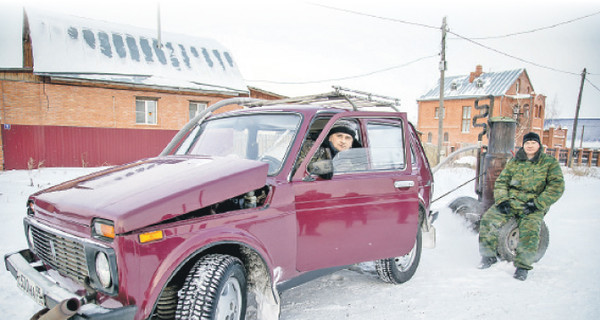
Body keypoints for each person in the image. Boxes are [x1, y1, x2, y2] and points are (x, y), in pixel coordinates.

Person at [478, 132, 564, 281]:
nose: (530, 146)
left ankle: (523, 267)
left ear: (539, 145)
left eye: (533, 143)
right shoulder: (515, 161)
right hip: (511, 200)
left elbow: (556, 187)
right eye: (527, 143)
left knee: (530, 231)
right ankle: (488, 256)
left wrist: (537, 203)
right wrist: (502, 200)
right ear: (523, 145)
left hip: (533, 204)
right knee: (488, 220)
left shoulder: (549, 162)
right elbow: (502, 182)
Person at [295, 120, 361, 174]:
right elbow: (301, 168)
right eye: (339, 136)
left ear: (351, 143)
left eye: (347, 138)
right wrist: (332, 168)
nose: (343, 141)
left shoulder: (358, 155)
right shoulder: (313, 147)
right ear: (329, 138)